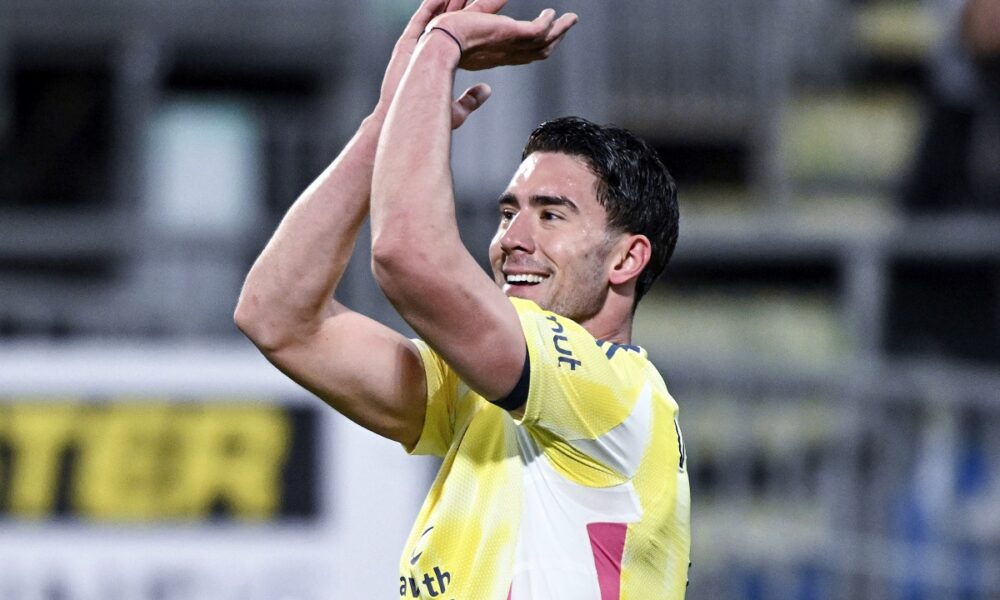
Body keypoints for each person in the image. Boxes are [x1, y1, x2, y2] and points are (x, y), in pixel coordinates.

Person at [234, 0, 690, 597]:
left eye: (551, 214)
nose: (512, 241)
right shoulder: (480, 396)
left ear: (627, 259)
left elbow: (408, 257)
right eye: (509, 212)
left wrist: (442, 45)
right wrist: (385, 125)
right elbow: (278, 317)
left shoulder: (614, 394)